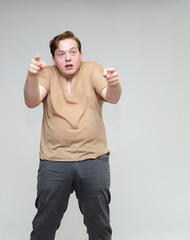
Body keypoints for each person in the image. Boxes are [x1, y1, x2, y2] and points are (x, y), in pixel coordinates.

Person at [24, 31, 122, 240]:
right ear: (53, 59)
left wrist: (114, 83)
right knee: (44, 224)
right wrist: (31, 76)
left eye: (72, 52)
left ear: (80, 54)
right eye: (61, 54)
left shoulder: (92, 69)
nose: (68, 58)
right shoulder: (46, 74)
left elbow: (111, 97)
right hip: (54, 161)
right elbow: (32, 101)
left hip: (93, 159)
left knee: (99, 225)